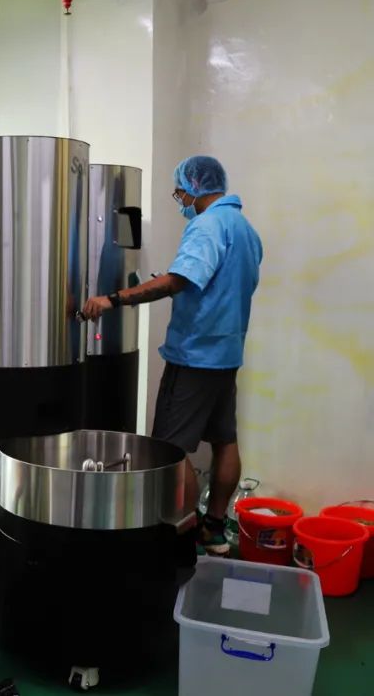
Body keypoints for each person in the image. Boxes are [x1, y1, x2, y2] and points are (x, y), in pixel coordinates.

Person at [81, 156, 262, 555]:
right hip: (226, 355)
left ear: (195, 187)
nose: (180, 201)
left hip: (194, 356)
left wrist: (114, 298)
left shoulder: (207, 225)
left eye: (180, 192)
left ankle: (182, 539)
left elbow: (178, 280)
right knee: (225, 440)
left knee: (170, 449)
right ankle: (214, 530)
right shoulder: (244, 228)